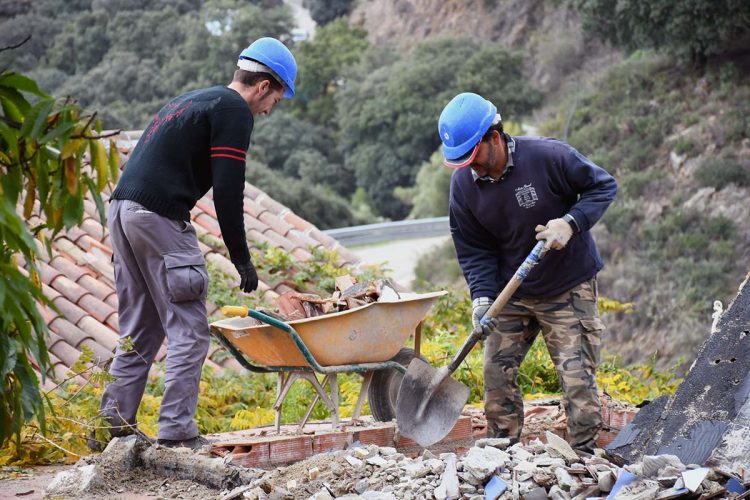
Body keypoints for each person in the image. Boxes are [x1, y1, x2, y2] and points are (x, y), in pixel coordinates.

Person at [92, 37, 297, 450]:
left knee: (141, 329)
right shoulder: (236, 111)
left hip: (121, 211)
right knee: (189, 329)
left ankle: (109, 431)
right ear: (263, 86)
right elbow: (227, 190)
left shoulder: (194, 100)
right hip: (158, 216)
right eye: (275, 99)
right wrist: (241, 259)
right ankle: (177, 434)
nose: (270, 109)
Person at [438, 92, 617, 452]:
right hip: (513, 293)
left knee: (577, 378)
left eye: (474, 158)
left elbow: (603, 186)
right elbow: (474, 250)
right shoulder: (463, 187)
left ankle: (582, 457)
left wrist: (571, 221)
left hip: (567, 286)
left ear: (494, 136)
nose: (471, 168)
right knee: (496, 373)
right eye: (463, 163)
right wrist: (483, 299)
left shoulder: (549, 156)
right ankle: (501, 452)